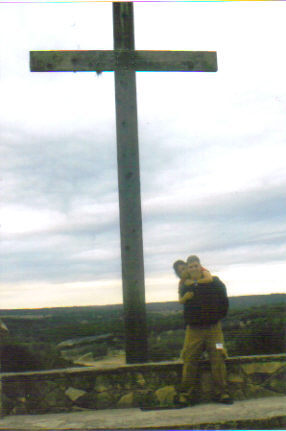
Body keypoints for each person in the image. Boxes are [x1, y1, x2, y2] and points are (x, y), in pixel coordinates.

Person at [177, 256, 233, 406]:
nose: (194, 269)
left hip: (214, 330)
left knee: (218, 357)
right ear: (188, 269)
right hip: (193, 330)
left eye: (196, 266)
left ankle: (222, 393)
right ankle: (185, 395)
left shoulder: (214, 282)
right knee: (189, 359)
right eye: (191, 267)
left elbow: (224, 300)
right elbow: (181, 299)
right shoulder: (185, 285)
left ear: (201, 267)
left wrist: (219, 316)